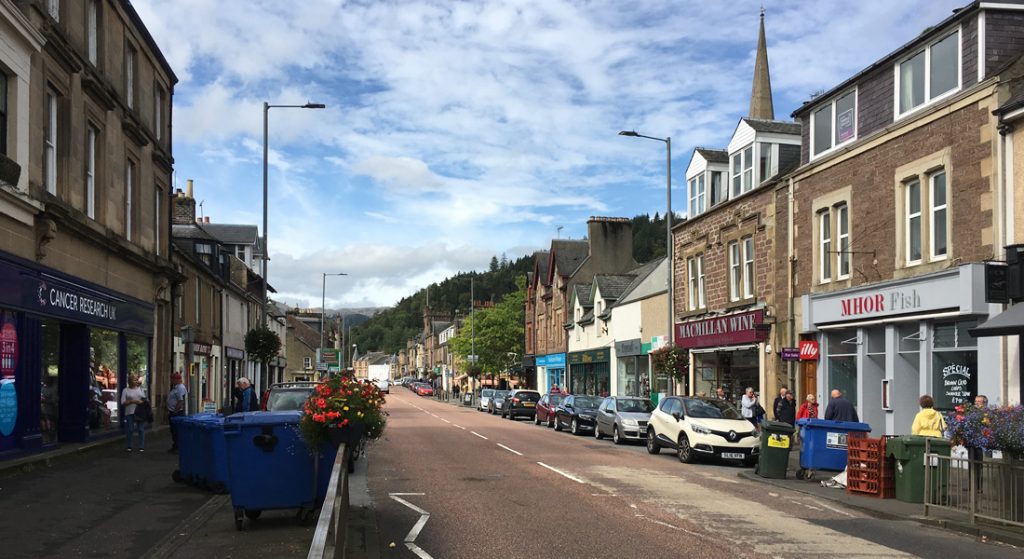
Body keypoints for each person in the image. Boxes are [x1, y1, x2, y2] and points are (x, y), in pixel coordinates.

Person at [969, 394, 989, 492]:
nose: (976, 403)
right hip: (971, 442)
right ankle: (972, 486)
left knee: (980, 465)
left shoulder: (987, 414)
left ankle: (980, 487)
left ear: (984, 403)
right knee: (971, 464)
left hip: (982, 443)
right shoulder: (971, 412)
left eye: (978, 401)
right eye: (975, 401)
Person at [121, 375, 146, 452]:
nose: (136, 381)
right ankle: (129, 446)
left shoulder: (140, 389)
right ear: (130, 381)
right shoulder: (125, 390)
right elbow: (122, 402)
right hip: (130, 412)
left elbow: (144, 400)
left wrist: (141, 402)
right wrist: (133, 401)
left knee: (141, 429)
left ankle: (141, 446)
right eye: (134, 380)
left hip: (140, 412)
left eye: (136, 380)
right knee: (130, 429)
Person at [166, 371, 187, 453]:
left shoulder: (180, 388)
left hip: (176, 413)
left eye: (172, 379)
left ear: (176, 380)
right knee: (173, 431)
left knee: (176, 431)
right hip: (172, 412)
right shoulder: (176, 387)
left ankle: (177, 447)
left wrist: (175, 411)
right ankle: (175, 446)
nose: (171, 381)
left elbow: (180, 401)